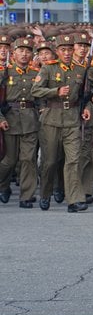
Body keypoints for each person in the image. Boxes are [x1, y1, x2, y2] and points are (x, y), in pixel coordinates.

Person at [31, 34, 91, 213]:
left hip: (72, 118)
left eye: (69, 49)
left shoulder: (80, 70)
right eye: (63, 50)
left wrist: (86, 107)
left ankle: (74, 199)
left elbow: (84, 94)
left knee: (73, 160)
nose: (67, 53)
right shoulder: (48, 69)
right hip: (51, 119)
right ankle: (45, 193)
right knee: (50, 161)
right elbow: (36, 90)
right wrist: (55, 91)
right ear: (57, 51)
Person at [0, 38, 40, 208]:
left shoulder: (35, 74)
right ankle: (3, 186)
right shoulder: (4, 73)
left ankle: (26, 195)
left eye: (28, 51)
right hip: (10, 120)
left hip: (30, 120)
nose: (24, 54)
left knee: (28, 159)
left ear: (32, 54)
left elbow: (41, 98)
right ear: (13, 53)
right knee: (8, 160)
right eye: (20, 51)